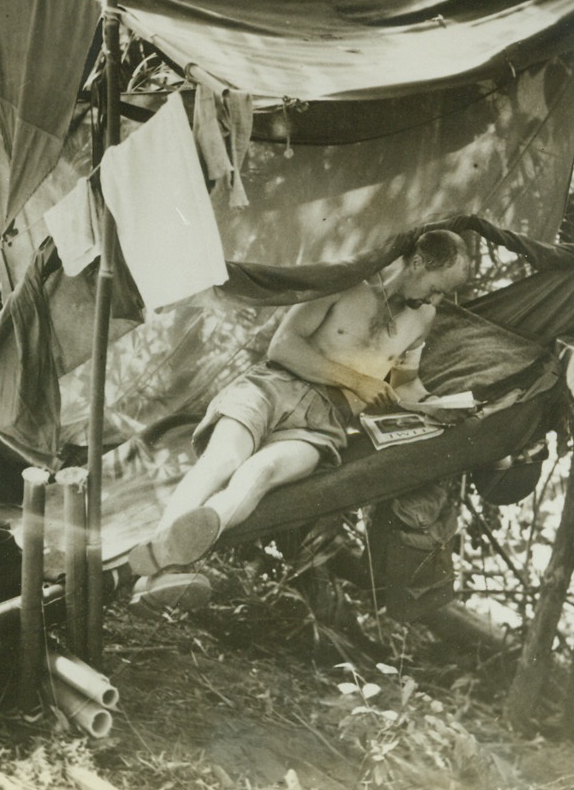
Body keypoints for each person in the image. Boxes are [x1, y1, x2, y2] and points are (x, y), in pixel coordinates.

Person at [128, 229, 472, 612]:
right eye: (436, 289)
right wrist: (357, 381)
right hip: (272, 387)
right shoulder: (347, 282)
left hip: (323, 424)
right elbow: (284, 346)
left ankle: (161, 562)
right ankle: (164, 563)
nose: (435, 301)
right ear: (418, 262)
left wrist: (433, 406)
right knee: (224, 459)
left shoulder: (423, 318)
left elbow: (405, 384)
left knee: (261, 473)